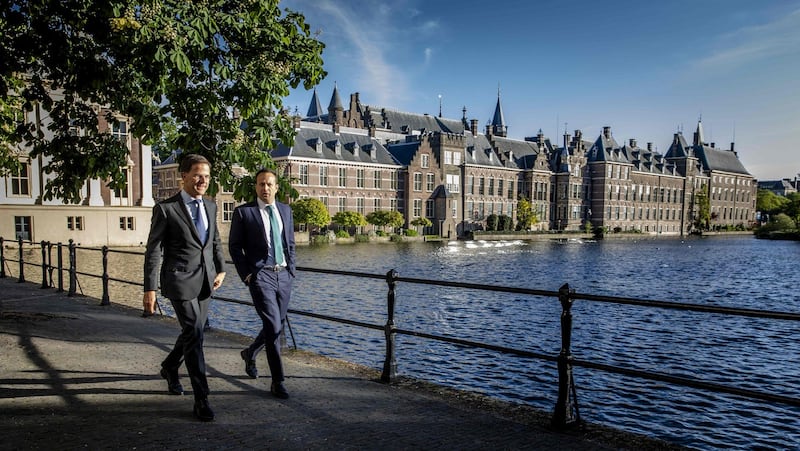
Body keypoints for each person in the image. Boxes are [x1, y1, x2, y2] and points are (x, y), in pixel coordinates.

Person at [142, 154, 226, 421]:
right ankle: (201, 398)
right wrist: (150, 289)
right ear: (184, 176)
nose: (203, 181)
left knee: (194, 333)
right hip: (178, 279)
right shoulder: (166, 209)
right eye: (198, 175)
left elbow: (214, 242)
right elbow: (153, 251)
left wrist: (221, 268)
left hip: (206, 279)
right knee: (194, 333)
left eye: (207, 176)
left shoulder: (211, 207)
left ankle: (169, 366)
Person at [228, 168, 296, 399]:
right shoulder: (244, 213)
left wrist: (292, 270)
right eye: (260, 184)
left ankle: (250, 352)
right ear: (255, 187)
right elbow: (235, 247)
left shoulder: (285, 210)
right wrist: (247, 274)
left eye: (269, 184)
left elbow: (290, 242)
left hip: (284, 275)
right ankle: (278, 381)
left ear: (277, 187)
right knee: (274, 327)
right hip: (261, 276)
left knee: (276, 325)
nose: (265, 188)